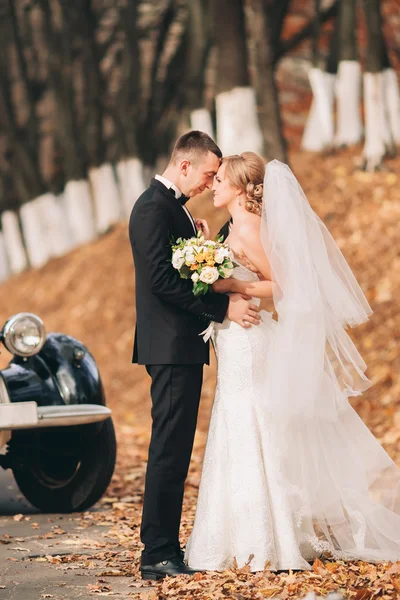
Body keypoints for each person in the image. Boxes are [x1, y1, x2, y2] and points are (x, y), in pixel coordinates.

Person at [184, 152, 400, 572]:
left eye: (219, 180)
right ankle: (246, 534)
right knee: (239, 425)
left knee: (249, 426)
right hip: (235, 342)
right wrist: (211, 249)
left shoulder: (250, 229)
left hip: (248, 342)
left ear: (242, 189)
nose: (212, 185)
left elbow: (283, 283)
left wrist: (228, 284)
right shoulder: (237, 227)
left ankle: (265, 539)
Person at [129, 132, 261, 581]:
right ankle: (157, 553)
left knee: (177, 446)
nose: (209, 183)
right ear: (184, 166)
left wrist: (199, 244)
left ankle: (165, 545)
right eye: (207, 173)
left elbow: (181, 269)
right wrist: (224, 307)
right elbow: (162, 284)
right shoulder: (152, 208)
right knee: (169, 449)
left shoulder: (175, 209)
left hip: (179, 345)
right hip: (168, 347)